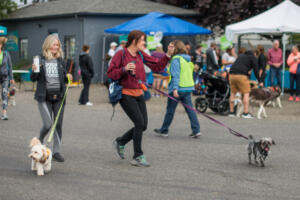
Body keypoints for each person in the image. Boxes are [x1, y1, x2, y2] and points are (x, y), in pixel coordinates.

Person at [107, 30, 174, 167]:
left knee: (143, 125)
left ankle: (121, 141)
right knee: (138, 122)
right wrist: (124, 69)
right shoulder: (121, 54)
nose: (145, 43)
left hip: (139, 93)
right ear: (134, 41)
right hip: (125, 94)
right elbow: (111, 73)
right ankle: (138, 155)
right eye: (143, 40)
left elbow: (157, 66)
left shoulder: (141, 54)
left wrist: (167, 55)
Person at [30, 34, 72, 162]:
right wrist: (34, 71)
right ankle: (40, 140)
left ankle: (56, 151)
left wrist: (68, 77)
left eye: (58, 45)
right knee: (48, 124)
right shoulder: (40, 59)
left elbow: (64, 77)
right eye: (54, 44)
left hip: (59, 96)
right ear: (48, 44)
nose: (56, 47)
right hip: (44, 97)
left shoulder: (60, 60)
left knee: (58, 125)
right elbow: (33, 78)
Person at [154, 40, 201, 138]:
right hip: (187, 88)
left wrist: (175, 88)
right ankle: (196, 130)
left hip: (177, 89)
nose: (169, 48)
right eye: (169, 46)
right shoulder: (188, 59)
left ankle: (164, 130)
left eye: (171, 47)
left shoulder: (176, 59)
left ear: (177, 48)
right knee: (190, 110)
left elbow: (176, 75)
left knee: (170, 110)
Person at [228, 50, 262, 119]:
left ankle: (231, 112)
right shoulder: (253, 57)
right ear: (254, 54)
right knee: (246, 93)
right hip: (241, 76)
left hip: (231, 75)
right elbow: (256, 70)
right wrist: (260, 80)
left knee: (233, 93)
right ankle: (245, 113)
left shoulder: (240, 56)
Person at [0, 36, 14, 120]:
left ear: (1, 45)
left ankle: (4, 113)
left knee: (4, 94)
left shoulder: (6, 54)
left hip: (5, 77)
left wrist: (11, 77)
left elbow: (10, 66)